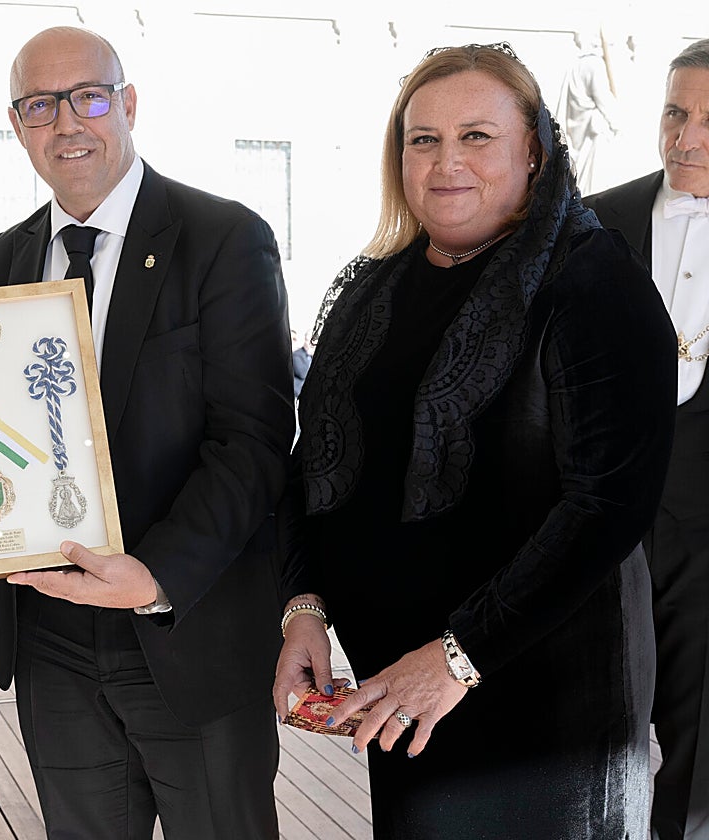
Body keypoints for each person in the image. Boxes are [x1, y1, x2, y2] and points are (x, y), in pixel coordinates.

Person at [273, 43, 675, 838]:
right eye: (423, 139)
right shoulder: (373, 288)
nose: (446, 161)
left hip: (545, 714)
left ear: (534, 151)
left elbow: (609, 503)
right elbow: (313, 466)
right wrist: (303, 608)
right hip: (405, 705)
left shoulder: (591, 277)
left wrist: (456, 657)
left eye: (476, 137)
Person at [0, 26, 293, 838]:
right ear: (18, 125)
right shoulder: (6, 257)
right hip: (52, 642)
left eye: (89, 97)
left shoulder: (223, 239)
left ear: (128, 105)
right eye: (41, 106)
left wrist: (153, 576)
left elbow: (252, 444)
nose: (68, 124)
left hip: (187, 631)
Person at [584, 38, 709, 840]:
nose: (686, 137)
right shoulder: (595, 220)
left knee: (701, 755)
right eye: (675, 112)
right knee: (599, 731)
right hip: (603, 526)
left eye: (708, 121)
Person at [556, 28, 620, 195]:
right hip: (593, 132)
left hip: (580, 127)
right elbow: (603, 99)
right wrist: (618, 122)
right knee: (594, 182)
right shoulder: (594, 65)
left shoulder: (576, 65)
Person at [292, 328, 312, 398]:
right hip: (296, 394)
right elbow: (303, 373)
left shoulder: (311, 356)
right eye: (307, 340)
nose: (309, 343)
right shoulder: (296, 355)